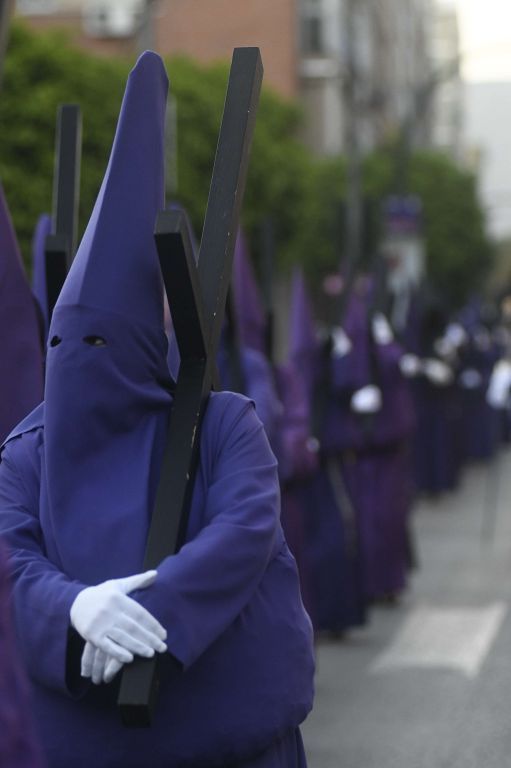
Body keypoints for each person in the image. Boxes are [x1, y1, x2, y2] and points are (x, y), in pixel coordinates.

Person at [0, 51, 314, 768]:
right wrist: (70, 610)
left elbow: (242, 532)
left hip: (227, 740)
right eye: (64, 342)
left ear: (146, 346)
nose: (80, 357)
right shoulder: (29, 448)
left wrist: (156, 612)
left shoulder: (221, 426)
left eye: (101, 340)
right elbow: (8, 553)